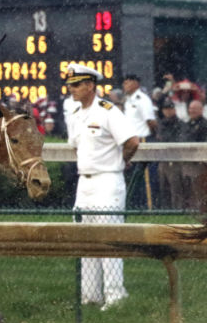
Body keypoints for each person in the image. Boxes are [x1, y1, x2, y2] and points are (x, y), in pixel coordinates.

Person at [66, 63, 139, 310]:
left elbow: (131, 141)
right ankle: (90, 296)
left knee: (109, 238)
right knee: (85, 239)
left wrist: (122, 160)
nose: (72, 90)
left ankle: (115, 296)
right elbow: (76, 146)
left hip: (108, 179)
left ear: (90, 85)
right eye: (70, 85)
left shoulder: (108, 110)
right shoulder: (75, 114)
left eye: (76, 85)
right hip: (84, 181)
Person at [122, 73, 158, 210]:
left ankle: (150, 206)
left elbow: (151, 121)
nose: (125, 85)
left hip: (142, 139)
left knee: (146, 176)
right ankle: (137, 205)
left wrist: (153, 136)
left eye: (128, 82)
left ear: (136, 83)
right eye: (124, 82)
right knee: (134, 175)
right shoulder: (128, 100)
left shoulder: (142, 99)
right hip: (130, 140)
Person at [155, 95, 184, 209]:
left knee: (175, 186)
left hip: (175, 158)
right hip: (163, 158)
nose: (167, 111)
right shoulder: (162, 124)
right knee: (163, 185)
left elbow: (180, 138)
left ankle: (177, 209)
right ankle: (165, 208)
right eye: (165, 109)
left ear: (174, 110)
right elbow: (160, 138)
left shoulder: (179, 123)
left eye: (169, 108)